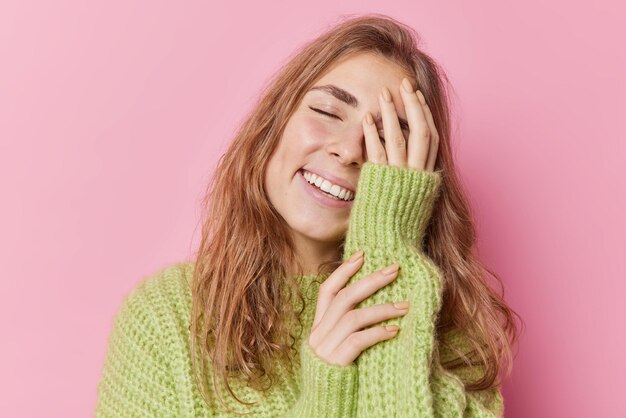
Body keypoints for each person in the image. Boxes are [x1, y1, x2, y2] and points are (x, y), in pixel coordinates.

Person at [95, 13, 520, 417]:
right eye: (328, 112)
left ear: (415, 173)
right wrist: (325, 400)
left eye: (387, 138)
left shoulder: (444, 333)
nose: (350, 150)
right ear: (273, 124)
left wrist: (388, 242)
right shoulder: (166, 320)